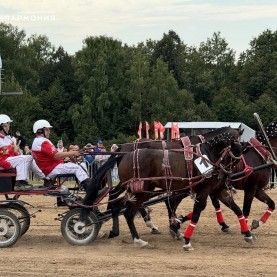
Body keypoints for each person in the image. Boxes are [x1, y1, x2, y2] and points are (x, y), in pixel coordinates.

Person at [31, 119, 91, 191]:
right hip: (51, 168)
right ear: (40, 131)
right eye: (47, 130)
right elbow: (56, 155)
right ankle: (91, 191)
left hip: (50, 168)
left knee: (77, 166)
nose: (49, 132)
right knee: (77, 168)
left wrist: (70, 152)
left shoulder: (37, 141)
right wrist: (72, 153)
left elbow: (56, 155)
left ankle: (87, 188)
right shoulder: (42, 142)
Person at [0, 114, 45, 191]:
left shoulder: (9, 138)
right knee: (28, 157)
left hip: (7, 160)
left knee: (30, 159)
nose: (8, 127)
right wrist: (12, 149)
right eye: (5, 126)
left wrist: (15, 151)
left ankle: (45, 178)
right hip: (2, 162)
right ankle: (20, 183)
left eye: (8, 125)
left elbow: (14, 152)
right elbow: (4, 153)